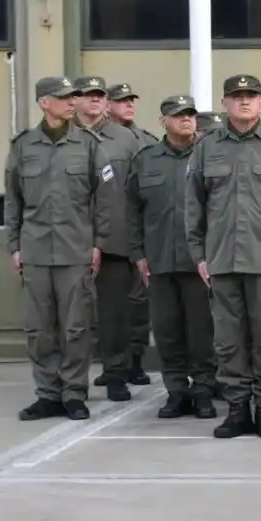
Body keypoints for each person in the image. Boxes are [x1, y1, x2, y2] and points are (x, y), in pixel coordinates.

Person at [186, 74, 261, 440]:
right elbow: (193, 206)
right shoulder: (207, 148)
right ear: (224, 103)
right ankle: (238, 409)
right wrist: (199, 254)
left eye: (251, 96)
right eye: (237, 96)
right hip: (222, 261)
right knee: (228, 340)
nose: (244, 102)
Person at [5, 76, 108, 421]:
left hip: (75, 250)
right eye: (64, 98)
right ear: (44, 102)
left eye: (73, 97)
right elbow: (13, 201)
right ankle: (47, 394)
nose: (71, 103)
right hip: (34, 250)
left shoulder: (88, 144)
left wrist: (98, 243)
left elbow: (104, 200)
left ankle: (74, 393)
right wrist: (14, 245)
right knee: (39, 327)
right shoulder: (23, 146)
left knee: (76, 326)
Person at [127, 95, 216, 419]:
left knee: (202, 333)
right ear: (163, 120)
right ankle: (177, 391)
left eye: (190, 115)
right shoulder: (146, 159)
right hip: (160, 260)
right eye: (179, 115)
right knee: (167, 332)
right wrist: (137, 254)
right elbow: (132, 211)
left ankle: (204, 390)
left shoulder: (210, 154)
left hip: (200, 263)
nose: (186, 120)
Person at [75, 76, 147, 402]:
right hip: (68, 239)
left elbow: (141, 190)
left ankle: (116, 373)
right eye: (87, 94)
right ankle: (67, 382)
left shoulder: (126, 140)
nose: (94, 100)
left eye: (99, 95)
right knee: (68, 315)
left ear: (106, 101)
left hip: (114, 241)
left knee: (114, 314)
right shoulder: (61, 138)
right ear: (74, 99)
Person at [107, 82, 158, 388]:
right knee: (109, 307)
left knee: (139, 303)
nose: (128, 105)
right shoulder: (94, 141)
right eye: (121, 100)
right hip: (109, 235)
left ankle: (135, 361)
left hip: (139, 234)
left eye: (131, 100)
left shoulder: (145, 140)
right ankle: (113, 364)